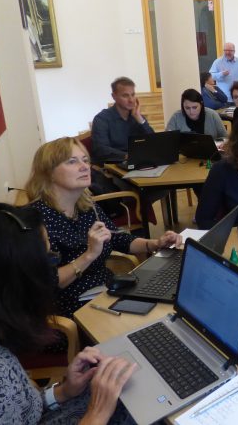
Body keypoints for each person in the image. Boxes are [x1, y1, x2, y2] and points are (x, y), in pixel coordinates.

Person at [0, 203, 136, 424]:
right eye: (49, 259)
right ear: (17, 279)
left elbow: (16, 410)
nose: (50, 274)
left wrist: (64, 391)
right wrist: (97, 412)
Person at [25, 137, 180, 319]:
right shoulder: (36, 220)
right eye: (72, 161)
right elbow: (48, 283)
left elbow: (117, 238)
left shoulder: (85, 206)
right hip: (70, 308)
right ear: (49, 173)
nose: (84, 167)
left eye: (85, 160)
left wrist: (155, 243)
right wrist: (89, 255)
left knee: (166, 306)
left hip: (104, 293)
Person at [91, 76, 154, 165]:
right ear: (114, 96)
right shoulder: (102, 119)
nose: (131, 100)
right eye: (125, 96)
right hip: (114, 165)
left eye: (133, 95)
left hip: (137, 162)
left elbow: (153, 141)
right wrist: (128, 156)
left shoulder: (136, 116)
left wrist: (140, 119)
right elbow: (101, 149)